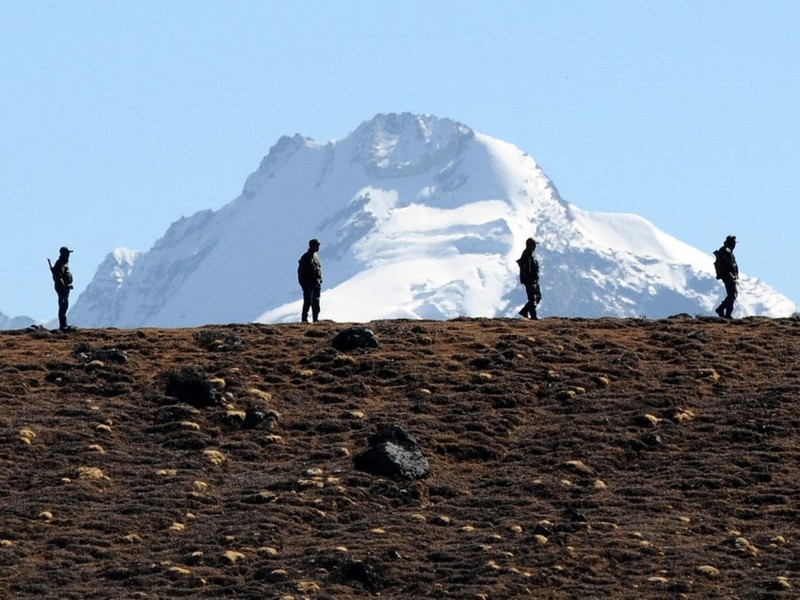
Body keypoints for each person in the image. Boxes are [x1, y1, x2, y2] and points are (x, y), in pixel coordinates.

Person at [49, 246, 74, 331]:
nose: (68, 255)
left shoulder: (64, 263)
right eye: (67, 253)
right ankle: (63, 325)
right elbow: (58, 277)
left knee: (65, 305)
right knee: (63, 305)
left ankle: (64, 324)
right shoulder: (60, 263)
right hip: (62, 288)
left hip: (65, 288)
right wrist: (64, 286)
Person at [297, 238, 323, 323]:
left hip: (316, 284)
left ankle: (315, 318)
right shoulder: (305, 257)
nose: (318, 247)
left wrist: (320, 280)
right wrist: (304, 285)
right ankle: (304, 319)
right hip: (308, 285)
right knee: (308, 302)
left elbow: (318, 269)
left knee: (316, 302)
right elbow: (301, 273)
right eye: (317, 245)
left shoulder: (316, 257)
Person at [714, 235, 739, 319]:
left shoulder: (727, 251)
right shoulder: (725, 251)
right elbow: (727, 265)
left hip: (729, 276)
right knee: (732, 294)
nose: (734, 245)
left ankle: (721, 309)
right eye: (733, 243)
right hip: (727, 276)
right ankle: (727, 314)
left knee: (732, 294)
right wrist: (732, 275)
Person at [516, 237, 541, 320]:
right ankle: (533, 316)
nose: (535, 247)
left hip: (533, 280)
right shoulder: (527, 255)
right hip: (530, 281)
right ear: (530, 245)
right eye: (534, 245)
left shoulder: (530, 254)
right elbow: (528, 270)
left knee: (537, 297)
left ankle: (524, 311)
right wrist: (531, 280)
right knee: (533, 298)